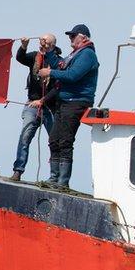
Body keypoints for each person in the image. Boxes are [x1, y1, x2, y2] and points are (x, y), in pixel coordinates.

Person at [37, 24, 99, 188]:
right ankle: (54, 178)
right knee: (54, 139)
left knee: (64, 140)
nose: (70, 39)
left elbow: (72, 76)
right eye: (70, 36)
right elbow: (60, 65)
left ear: (83, 37)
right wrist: (49, 51)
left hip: (76, 102)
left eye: (73, 36)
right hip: (65, 102)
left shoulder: (87, 55)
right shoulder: (76, 54)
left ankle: (62, 182)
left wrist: (49, 73)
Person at [10, 34, 62, 181]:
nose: (41, 45)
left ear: (51, 45)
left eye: (45, 43)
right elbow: (20, 58)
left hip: (51, 107)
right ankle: (18, 171)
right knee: (24, 136)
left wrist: (43, 100)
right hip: (32, 104)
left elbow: (58, 87)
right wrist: (24, 46)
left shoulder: (59, 62)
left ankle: (54, 177)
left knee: (54, 141)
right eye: (40, 42)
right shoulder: (35, 57)